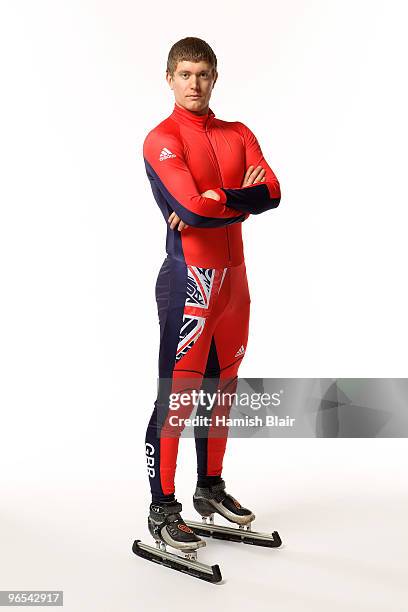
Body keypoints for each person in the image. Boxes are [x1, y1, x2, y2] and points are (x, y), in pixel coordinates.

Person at [142, 37, 281, 551]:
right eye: (184, 74)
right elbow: (193, 215)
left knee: (221, 392)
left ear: (215, 77)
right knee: (177, 396)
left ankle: (210, 488)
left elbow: (273, 191)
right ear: (169, 78)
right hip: (191, 282)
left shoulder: (238, 132)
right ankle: (162, 507)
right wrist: (234, 203)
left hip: (235, 282)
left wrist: (221, 197)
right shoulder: (162, 139)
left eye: (202, 74)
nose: (194, 84)